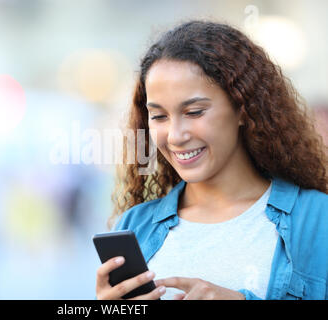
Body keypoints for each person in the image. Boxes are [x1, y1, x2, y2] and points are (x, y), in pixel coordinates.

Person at [95, 20, 328, 300]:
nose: (175, 136)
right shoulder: (134, 225)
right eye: (158, 116)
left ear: (243, 109)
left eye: (194, 112)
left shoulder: (318, 219)